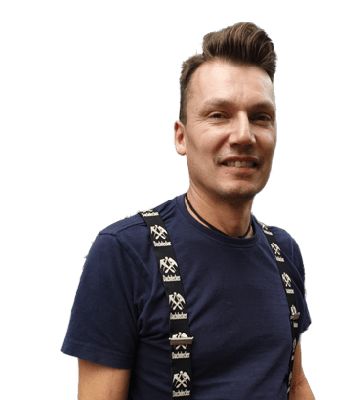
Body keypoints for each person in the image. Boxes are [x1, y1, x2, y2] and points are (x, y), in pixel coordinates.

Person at [62, 22, 314, 400]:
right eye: (219, 115)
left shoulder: (284, 253)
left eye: (260, 116)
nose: (244, 135)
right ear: (181, 137)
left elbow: (295, 384)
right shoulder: (125, 253)